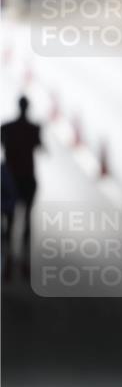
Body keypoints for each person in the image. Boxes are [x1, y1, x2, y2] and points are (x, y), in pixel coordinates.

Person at [1, 95, 44, 280]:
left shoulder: (6, 128)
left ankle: (8, 261)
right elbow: (41, 147)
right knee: (27, 220)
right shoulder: (33, 129)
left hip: (10, 180)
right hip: (27, 179)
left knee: (8, 222)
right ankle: (25, 261)